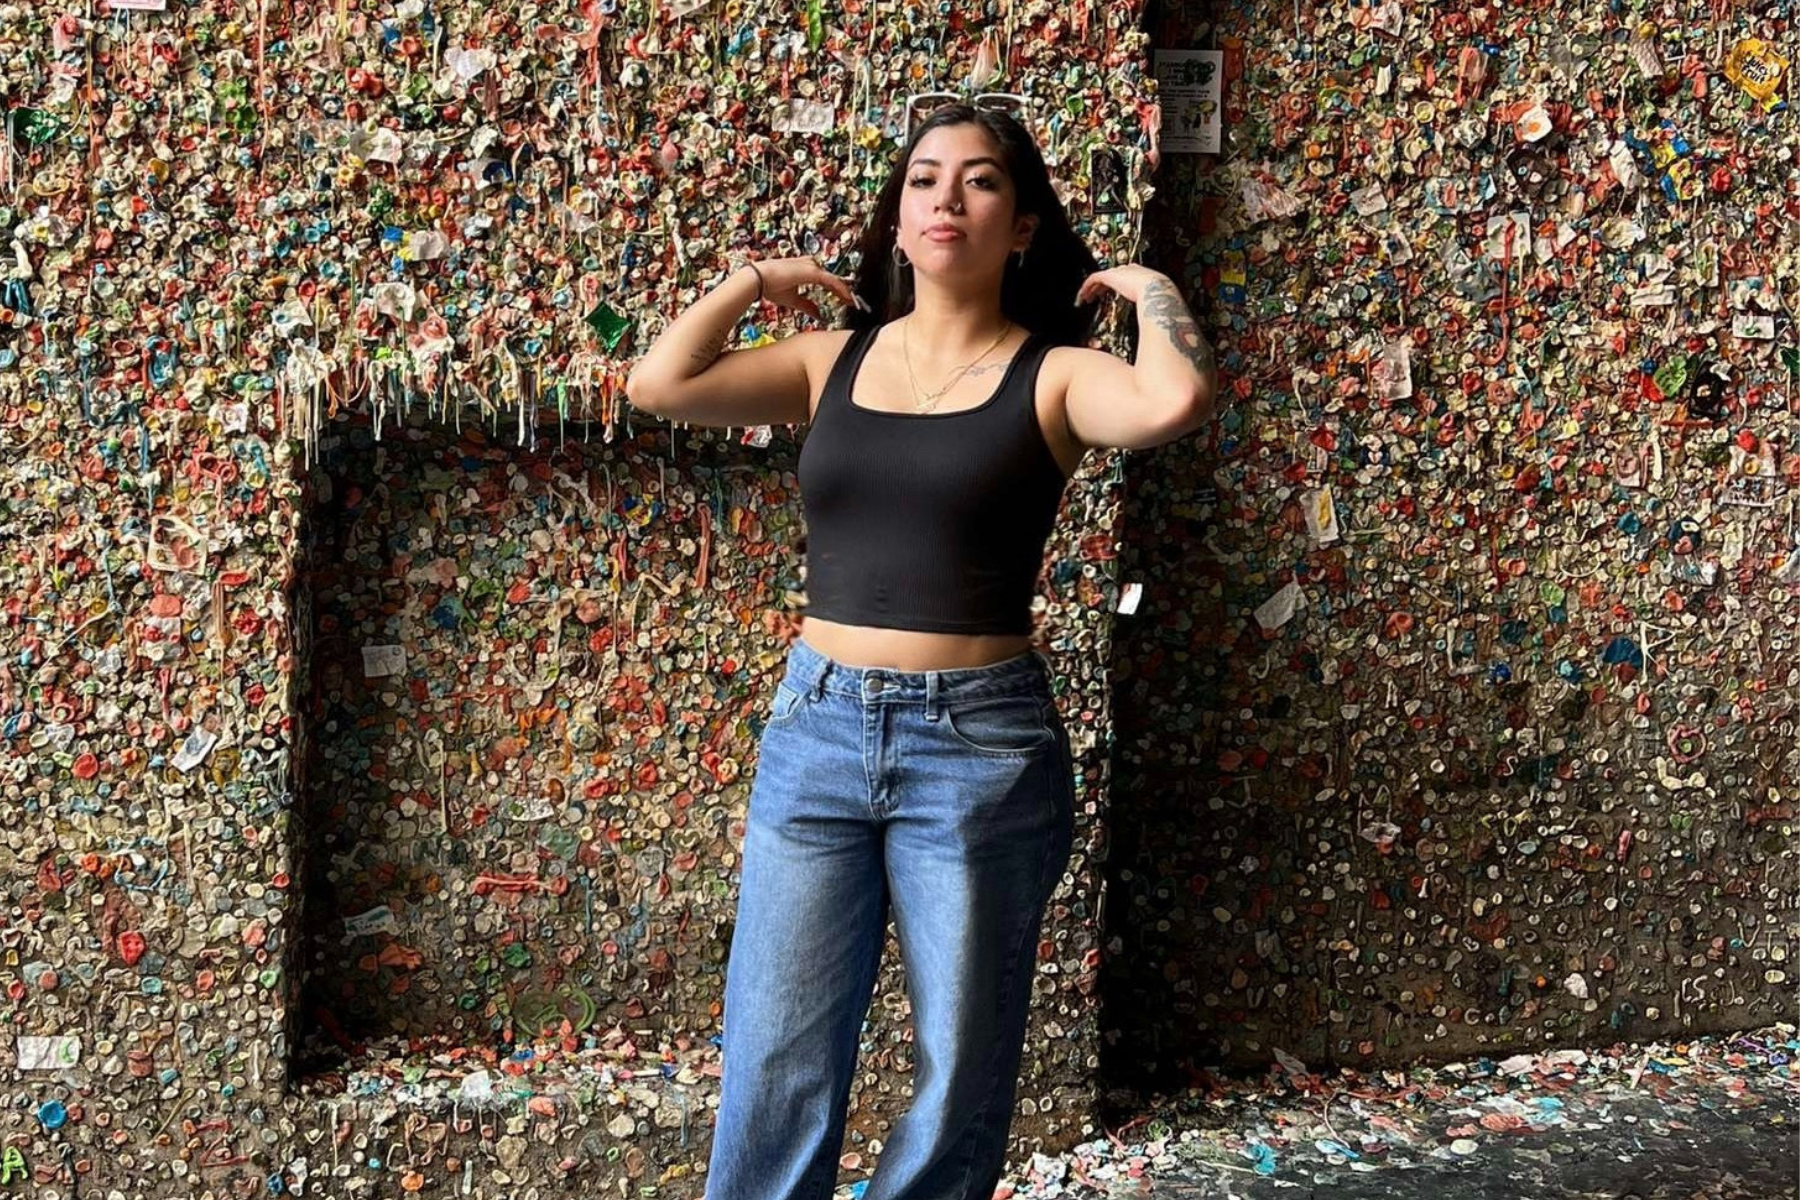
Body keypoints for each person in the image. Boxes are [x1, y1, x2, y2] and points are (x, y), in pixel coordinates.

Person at [625, 102, 1216, 1200]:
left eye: (980, 181)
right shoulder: (825, 361)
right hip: (819, 729)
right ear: (898, 219)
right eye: (925, 179)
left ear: (1023, 224)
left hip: (979, 745)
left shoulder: (1054, 376)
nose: (948, 198)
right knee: (776, 1056)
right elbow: (658, 386)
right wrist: (758, 281)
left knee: (959, 1069)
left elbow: (1174, 395)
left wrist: (1152, 291)